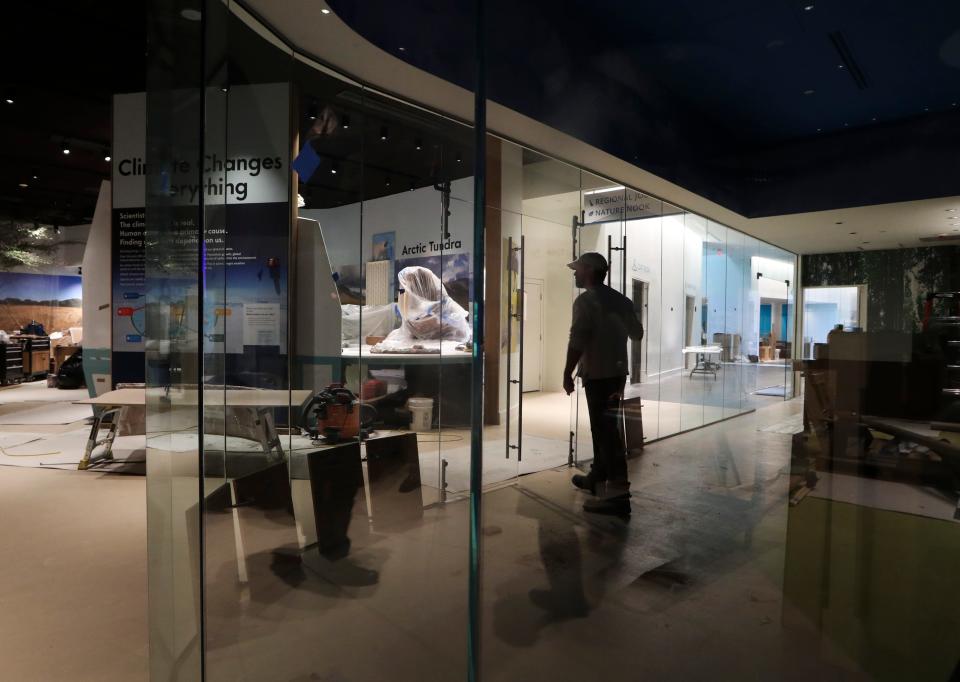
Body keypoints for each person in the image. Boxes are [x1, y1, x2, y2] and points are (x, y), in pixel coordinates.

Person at [563, 252, 643, 515]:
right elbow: (637, 333)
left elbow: (577, 340)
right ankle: (597, 476)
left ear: (588, 271)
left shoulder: (586, 301)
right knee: (605, 430)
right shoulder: (621, 300)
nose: (575, 273)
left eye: (577, 269)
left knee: (608, 435)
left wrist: (567, 372)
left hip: (598, 376)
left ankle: (619, 498)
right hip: (617, 375)